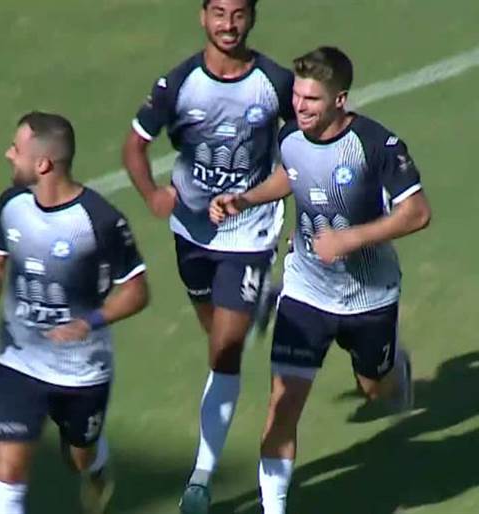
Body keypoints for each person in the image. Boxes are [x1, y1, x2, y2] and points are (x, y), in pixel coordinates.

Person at [210, 46, 431, 513]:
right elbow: (290, 175)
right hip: (306, 291)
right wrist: (245, 200)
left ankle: (395, 371)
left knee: (376, 389)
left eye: (312, 99)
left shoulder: (377, 145)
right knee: (282, 404)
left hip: (369, 297)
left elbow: (417, 212)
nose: (300, 106)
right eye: (297, 96)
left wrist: (350, 239)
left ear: (340, 100)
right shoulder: (291, 135)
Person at [122, 0, 294, 512]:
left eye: (238, 14)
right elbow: (134, 145)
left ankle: (200, 477)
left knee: (224, 353)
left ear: (252, 18)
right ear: (203, 17)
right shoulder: (179, 84)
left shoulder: (274, 82)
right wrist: (152, 194)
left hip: (249, 232)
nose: (228, 24)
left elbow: (308, 142)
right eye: (218, 13)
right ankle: (260, 306)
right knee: (215, 336)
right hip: (192, 232)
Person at [0, 111, 149, 514]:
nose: (8, 154)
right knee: (7, 470)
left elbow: (137, 290)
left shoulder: (100, 221)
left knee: (79, 456)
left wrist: (89, 322)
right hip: (19, 361)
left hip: (81, 371)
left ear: (43, 164)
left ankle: (96, 465)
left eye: (17, 149)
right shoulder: (12, 205)